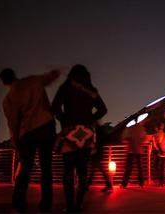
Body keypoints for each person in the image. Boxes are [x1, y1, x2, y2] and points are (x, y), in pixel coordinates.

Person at [0, 68, 60, 213]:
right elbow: (48, 78)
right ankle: (46, 204)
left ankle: (19, 202)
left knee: (26, 168)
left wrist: (15, 141)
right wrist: (55, 72)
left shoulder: (9, 98)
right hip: (46, 127)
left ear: (4, 82)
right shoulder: (32, 80)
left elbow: (13, 123)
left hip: (28, 133)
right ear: (15, 74)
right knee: (46, 167)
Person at [52, 64, 107, 213]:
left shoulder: (66, 87)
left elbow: (55, 107)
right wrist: (90, 119)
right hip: (86, 133)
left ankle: (69, 206)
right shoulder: (90, 89)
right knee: (83, 171)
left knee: (68, 170)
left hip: (69, 131)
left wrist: (63, 119)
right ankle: (78, 205)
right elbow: (103, 109)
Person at [120, 120, 150, 189]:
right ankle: (141, 184)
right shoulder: (141, 128)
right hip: (139, 150)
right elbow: (144, 138)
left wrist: (129, 141)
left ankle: (124, 184)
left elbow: (124, 138)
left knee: (128, 168)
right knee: (140, 168)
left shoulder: (130, 127)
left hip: (130, 150)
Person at [87, 123, 113, 192]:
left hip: (96, 152)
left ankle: (86, 186)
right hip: (97, 152)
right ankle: (109, 185)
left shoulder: (96, 130)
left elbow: (98, 141)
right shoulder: (99, 130)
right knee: (97, 169)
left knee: (97, 169)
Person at [152, 122, 165, 187]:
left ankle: (159, 181)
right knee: (163, 168)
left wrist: (160, 151)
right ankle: (162, 182)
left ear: (157, 128)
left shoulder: (155, 135)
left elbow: (156, 144)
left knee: (156, 167)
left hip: (159, 154)